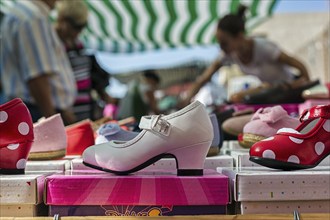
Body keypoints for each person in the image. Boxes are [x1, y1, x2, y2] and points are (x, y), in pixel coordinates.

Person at [180, 5, 311, 107]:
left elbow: (300, 65)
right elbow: (205, 78)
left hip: (290, 92)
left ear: (239, 36)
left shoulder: (264, 48)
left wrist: (304, 88)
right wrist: (187, 99)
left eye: (224, 43)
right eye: (219, 44)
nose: (221, 48)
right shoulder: (229, 54)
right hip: (271, 95)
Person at [0, 0, 77, 125]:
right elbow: (36, 76)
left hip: (31, 111)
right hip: (36, 112)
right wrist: (52, 121)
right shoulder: (33, 17)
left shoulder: (20, 13)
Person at [55, 0, 113, 121]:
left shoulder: (78, 45)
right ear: (62, 19)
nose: (79, 31)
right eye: (77, 27)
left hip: (85, 113)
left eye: (82, 26)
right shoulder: (52, 43)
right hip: (63, 115)